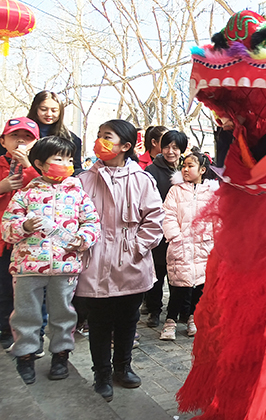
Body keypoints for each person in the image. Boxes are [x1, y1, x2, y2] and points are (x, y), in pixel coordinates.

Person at [75, 119, 164, 401]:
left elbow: (154, 220)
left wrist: (138, 247)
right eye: (99, 136)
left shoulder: (142, 180)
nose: (100, 141)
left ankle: (122, 369)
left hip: (131, 262)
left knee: (129, 319)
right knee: (99, 322)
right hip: (95, 261)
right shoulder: (83, 180)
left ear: (125, 146)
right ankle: (101, 374)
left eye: (107, 137)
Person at [2, 136, 99, 384]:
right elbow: (6, 228)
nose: (66, 164)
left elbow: (92, 223)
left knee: (63, 313)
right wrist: (23, 226)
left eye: (69, 158)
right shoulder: (25, 194)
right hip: (28, 267)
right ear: (40, 163)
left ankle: (60, 354)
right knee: (26, 314)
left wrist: (82, 239)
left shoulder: (78, 194)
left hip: (65, 266)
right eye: (59, 158)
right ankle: (25, 355)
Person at [160, 148, 217, 340]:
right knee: (179, 286)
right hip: (181, 245)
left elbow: (217, 218)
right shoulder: (175, 191)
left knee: (199, 286)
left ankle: (193, 317)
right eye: (183, 166)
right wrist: (175, 236)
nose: (185, 169)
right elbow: (167, 215)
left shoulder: (210, 192)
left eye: (190, 166)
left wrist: (214, 239)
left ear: (202, 169)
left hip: (204, 246)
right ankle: (170, 321)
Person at [0, 118, 41, 351]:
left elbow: (46, 192)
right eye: (15, 136)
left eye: (27, 137)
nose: (20, 142)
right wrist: (2, 187)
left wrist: (28, 167)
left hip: (29, 242)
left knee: (27, 292)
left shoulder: (37, 168)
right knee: (4, 288)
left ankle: (29, 333)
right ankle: (5, 328)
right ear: (3, 140)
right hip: (2, 240)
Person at [143, 130, 188, 328]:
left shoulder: (187, 169)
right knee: (157, 271)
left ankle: (178, 311)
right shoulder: (152, 171)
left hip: (181, 229)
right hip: (159, 229)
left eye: (175, 148)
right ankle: (154, 310)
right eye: (167, 147)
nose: (171, 151)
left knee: (178, 272)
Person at [26, 91, 83, 174]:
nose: (49, 114)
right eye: (43, 109)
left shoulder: (71, 139)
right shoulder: (19, 133)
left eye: (54, 110)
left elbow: (76, 168)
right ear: (35, 109)